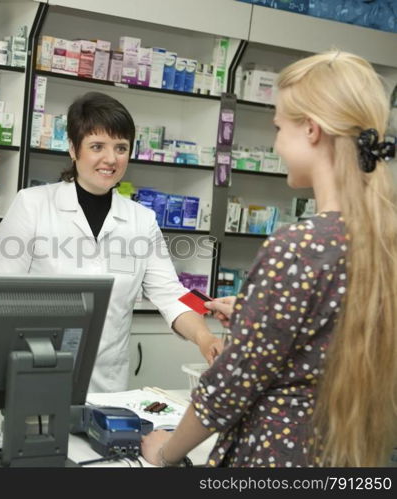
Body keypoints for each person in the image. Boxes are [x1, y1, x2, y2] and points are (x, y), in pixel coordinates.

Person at [141, 51, 397, 467]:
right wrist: (252, 310)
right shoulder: (381, 237)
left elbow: (229, 386)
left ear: (311, 131)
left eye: (278, 126)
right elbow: (335, 329)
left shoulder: (297, 246)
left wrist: (165, 451)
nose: (276, 142)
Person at [0, 91, 223, 393]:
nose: (111, 159)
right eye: (97, 146)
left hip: (107, 384)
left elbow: (171, 293)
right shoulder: (32, 205)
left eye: (121, 147)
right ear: (73, 149)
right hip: (32, 374)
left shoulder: (141, 219)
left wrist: (205, 338)